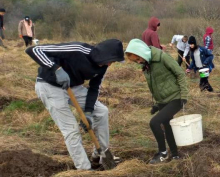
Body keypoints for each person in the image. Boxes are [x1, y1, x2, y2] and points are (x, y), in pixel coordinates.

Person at [26, 39, 124, 170]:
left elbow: (94, 88)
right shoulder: (78, 49)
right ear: (103, 54)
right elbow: (34, 50)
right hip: (49, 85)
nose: (110, 64)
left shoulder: (103, 67)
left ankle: (100, 155)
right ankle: (84, 169)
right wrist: (56, 69)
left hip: (73, 87)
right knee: (71, 129)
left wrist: (88, 112)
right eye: (111, 60)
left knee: (101, 112)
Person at [125, 39, 188, 164]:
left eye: (138, 58)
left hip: (176, 97)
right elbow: (157, 85)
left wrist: (184, 96)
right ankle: (175, 155)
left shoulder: (161, 57)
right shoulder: (147, 64)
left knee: (154, 122)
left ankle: (162, 153)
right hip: (163, 100)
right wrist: (157, 105)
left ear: (142, 52)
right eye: (136, 61)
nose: (138, 62)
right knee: (167, 126)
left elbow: (180, 73)